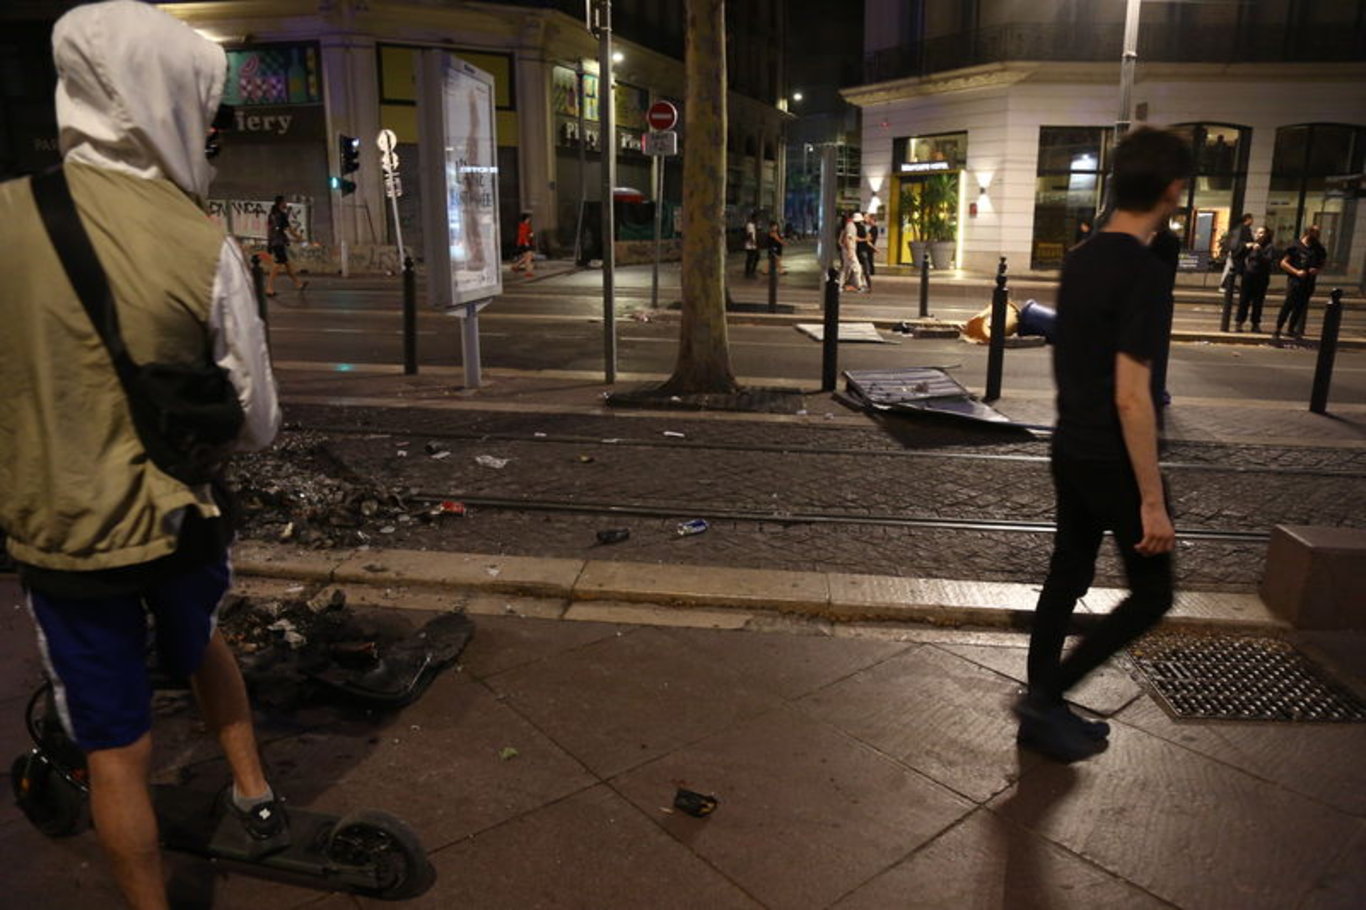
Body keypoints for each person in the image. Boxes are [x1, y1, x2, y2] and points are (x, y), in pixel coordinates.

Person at [0, 3, 285, 908]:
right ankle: (256, 792)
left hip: (62, 535)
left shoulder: (4, 217)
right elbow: (259, 421)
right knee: (200, 639)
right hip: (179, 518)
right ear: (161, 99)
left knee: (116, 749)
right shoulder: (200, 244)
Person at [1015, 126, 1190, 764]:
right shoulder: (1142, 272)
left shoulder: (1081, 257)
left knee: (1067, 574)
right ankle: (1045, 698)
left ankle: (1043, 707)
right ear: (1173, 191)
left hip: (1071, 445)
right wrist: (1151, 500)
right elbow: (1132, 396)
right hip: (1114, 456)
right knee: (1153, 594)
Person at [1274, 224, 1326, 342]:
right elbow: (1283, 263)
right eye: (1315, 234)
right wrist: (1296, 272)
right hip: (1295, 281)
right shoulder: (1295, 246)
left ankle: (1291, 329)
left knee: (1300, 307)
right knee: (1288, 305)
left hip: (1308, 282)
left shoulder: (1319, 249)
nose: (1317, 237)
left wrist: (1317, 270)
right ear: (1308, 233)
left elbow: (1323, 262)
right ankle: (1278, 329)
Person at [264, 195, 308, 296]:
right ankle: (269, 288)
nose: (286, 204)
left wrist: (269, 243)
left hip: (275, 242)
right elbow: (289, 230)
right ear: (281, 203)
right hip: (278, 242)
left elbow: (269, 230)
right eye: (285, 202)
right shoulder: (281, 215)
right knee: (277, 265)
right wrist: (299, 238)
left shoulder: (272, 215)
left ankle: (298, 283)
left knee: (287, 264)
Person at [1236, 226, 1276, 333]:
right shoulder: (1251, 245)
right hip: (1248, 276)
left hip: (1261, 277)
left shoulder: (1269, 247)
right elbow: (1238, 255)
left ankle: (1255, 324)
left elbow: (1268, 260)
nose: (1259, 235)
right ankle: (1239, 322)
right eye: (1258, 233)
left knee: (1258, 302)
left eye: (1262, 233)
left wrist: (1260, 251)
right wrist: (1245, 247)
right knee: (1244, 300)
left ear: (1267, 234)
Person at [1220, 212, 1254, 293]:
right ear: (1248, 219)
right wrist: (1245, 245)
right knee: (1236, 270)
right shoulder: (1241, 228)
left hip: (1240, 253)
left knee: (1239, 270)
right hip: (1238, 253)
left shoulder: (1242, 228)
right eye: (1252, 219)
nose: (1253, 221)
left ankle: (1230, 286)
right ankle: (1225, 286)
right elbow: (1236, 242)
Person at [840, 211, 866, 292]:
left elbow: (853, 238)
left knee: (846, 269)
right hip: (849, 250)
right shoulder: (851, 226)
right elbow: (848, 239)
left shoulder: (849, 225)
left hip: (847, 250)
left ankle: (839, 285)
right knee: (857, 268)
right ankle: (859, 286)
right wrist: (850, 251)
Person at [856, 211, 877, 291]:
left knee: (864, 268)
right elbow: (867, 239)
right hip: (863, 250)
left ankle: (866, 285)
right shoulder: (863, 227)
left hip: (863, 250)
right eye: (865, 217)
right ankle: (866, 285)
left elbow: (867, 239)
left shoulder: (865, 227)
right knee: (864, 268)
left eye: (867, 217)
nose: (866, 219)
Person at [513, 211, 535, 276]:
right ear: (526, 219)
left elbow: (528, 234)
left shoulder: (526, 225)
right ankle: (528, 272)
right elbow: (523, 235)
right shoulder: (523, 225)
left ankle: (515, 266)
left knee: (527, 257)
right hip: (525, 243)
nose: (529, 219)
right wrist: (526, 242)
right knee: (528, 257)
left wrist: (530, 235)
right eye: (529, 218)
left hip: (526, 243)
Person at [743, 211, 760, 278]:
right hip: (750, 245)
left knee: (754, 258)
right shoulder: (750, 225)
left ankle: (750, 272)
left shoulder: (753, 225)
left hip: (752, 244)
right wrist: (754, 243)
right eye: (757, 218)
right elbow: (750, 235)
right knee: (751, 258)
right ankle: (749, 272)